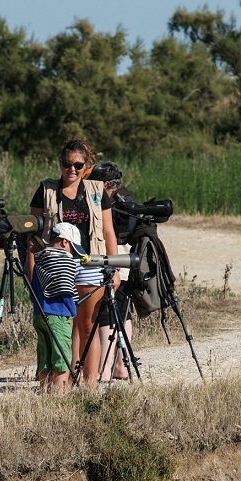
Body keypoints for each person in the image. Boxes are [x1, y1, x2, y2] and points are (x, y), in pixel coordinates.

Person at [28, 138, 119, 385]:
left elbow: (109, 232)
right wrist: (31, 270)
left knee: (87, 326)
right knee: (60, 325)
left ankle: (89, 385)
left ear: (86, 166)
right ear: (60, 163)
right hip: (55, 265)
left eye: (78, 165)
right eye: (67, 164)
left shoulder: (97, 191)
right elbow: (33, 237)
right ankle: (61, 382)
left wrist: (114, 269)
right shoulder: (45, 190)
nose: (72, 170)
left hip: (90, 262)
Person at [87, 161, 135, 381]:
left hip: (110, 262)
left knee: (105, 315)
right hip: (127, 262)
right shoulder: (127, 198)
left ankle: (103, 370)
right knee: (124, 312)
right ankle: (121, 367)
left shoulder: (102, 200)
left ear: (104, 183)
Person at [31, 223, 83, 393]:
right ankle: (59, 397)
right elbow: (65, 289)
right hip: (58, 314)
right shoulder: (64, 259)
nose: (73, 253)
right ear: (64, 242)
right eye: (73, 248)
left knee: (45, 357)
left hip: (40, 313)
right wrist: (73, 309)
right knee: (61, 358)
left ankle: (45, 394)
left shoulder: (41, 258)